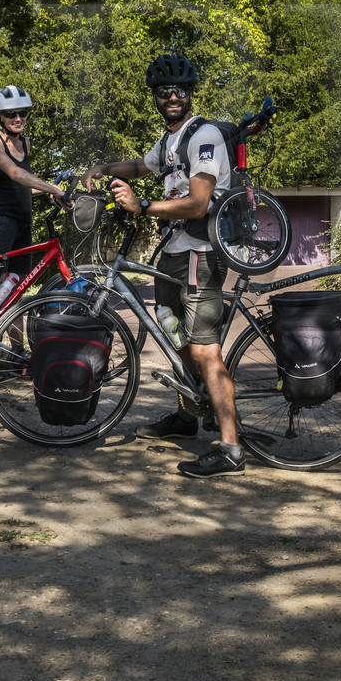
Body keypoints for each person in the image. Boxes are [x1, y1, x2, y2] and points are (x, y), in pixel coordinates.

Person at [81, 53, 243, 478]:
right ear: (153, 96)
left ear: (190, 94)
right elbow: (143, 165)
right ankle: (187, 417)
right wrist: (104, 168)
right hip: (174, 252)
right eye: (164, 91)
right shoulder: (170, 140)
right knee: (174, 336)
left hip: (200, 254)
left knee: (205, 348)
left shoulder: (203, 135)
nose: (173, 96)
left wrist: (144, 204)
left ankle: (230, 449)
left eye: (180, 90)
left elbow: (198, 201)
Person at [0, 85, 68, 313]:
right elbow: (15, 173)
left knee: (16, 286)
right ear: (0, 116)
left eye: (23, 113)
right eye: (11, 114)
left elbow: (20, 187)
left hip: (22, 223)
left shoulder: (25, 143)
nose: (18, 118)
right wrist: (52, 188)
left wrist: (50, 190)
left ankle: (16, 347)